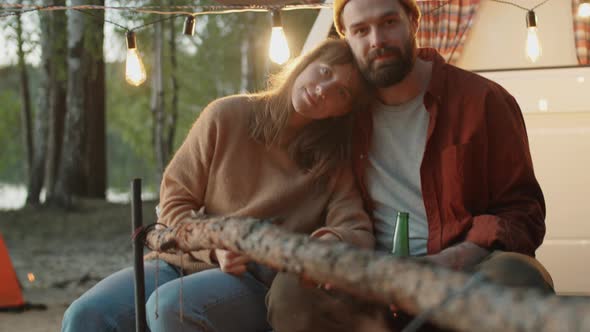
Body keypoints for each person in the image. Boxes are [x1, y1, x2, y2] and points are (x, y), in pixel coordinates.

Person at [266, 0, 555, 331]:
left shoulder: (483, 101)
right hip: (369, 278)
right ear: (346, 37)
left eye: (389, 22)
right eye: (361, 30)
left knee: (517, 275)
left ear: (413, 22)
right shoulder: (341, 114)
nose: (377, 40)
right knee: (292, 288)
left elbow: (523, 213)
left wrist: (454, 259)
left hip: (462, 274)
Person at [61, 38, 375, 332]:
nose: (324, 89)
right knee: (84, 314)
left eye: (342, 92)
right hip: (179, 260)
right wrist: (214, 248)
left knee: (169, 307)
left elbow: (356, 230)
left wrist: (321, 245)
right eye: (324, 71)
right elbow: (173, 201)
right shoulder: (226, 116)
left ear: (344, 110)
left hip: (252, 278)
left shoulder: (331, 163)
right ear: (304, 63)